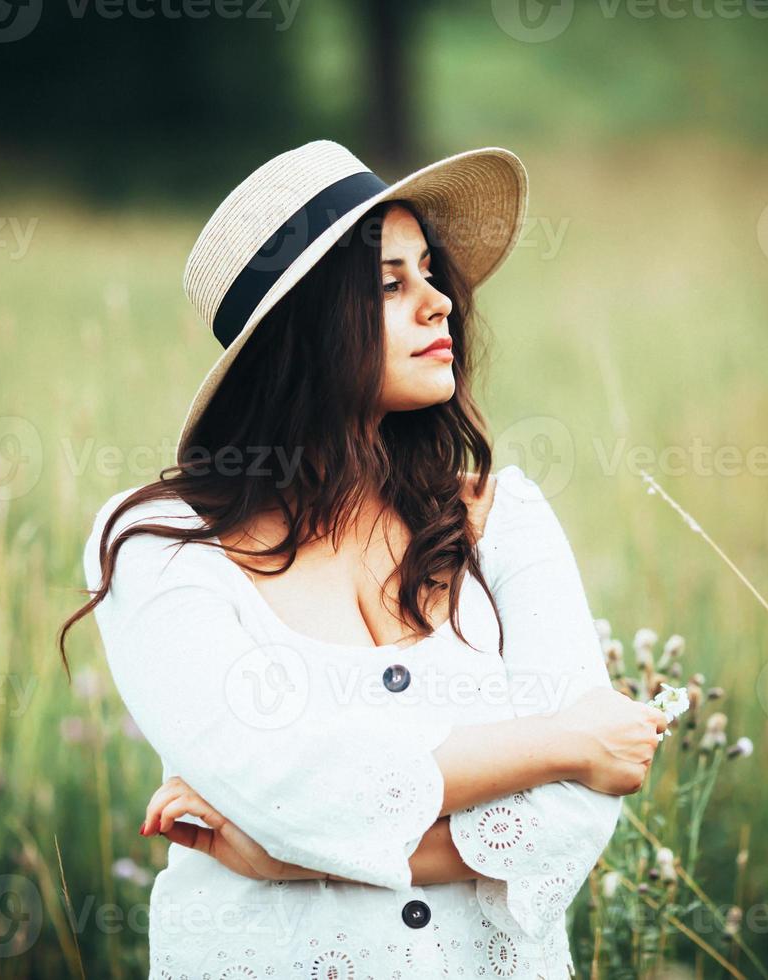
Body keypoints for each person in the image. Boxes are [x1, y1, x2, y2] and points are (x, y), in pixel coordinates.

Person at [58, 139, 669, 978]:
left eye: (430, 273)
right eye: (390, 284)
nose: (439, 304)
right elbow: (285, 783)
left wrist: (288, 858)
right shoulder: (161, 550)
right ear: (300, 332)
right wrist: (563, 742)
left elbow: (575, 816)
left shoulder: (503, 520)